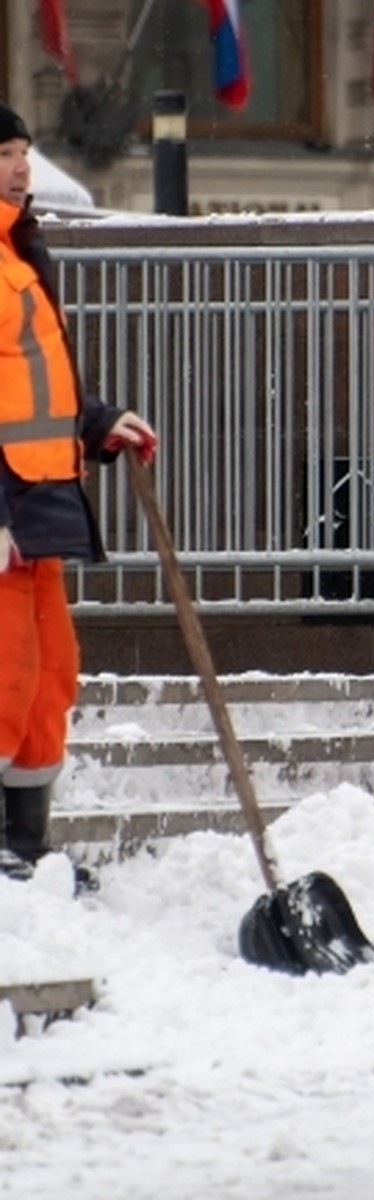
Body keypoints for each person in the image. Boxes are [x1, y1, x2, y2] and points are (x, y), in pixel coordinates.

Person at [0, 103, 157, 883]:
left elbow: (32, 384)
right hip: (5, 506)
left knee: (48, 676)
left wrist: (98, 422)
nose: (22, 167)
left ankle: (26, 849)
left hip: (42, 498)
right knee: (4, 675)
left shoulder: (22, 255)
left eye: (25, 151)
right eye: (4, 153)